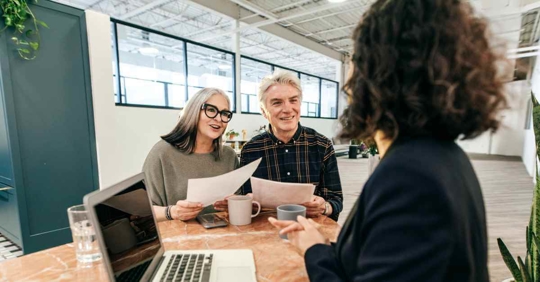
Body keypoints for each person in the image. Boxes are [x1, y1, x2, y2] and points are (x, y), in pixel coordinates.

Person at [269, 0, 507, 281]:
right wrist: (319, 248)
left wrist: (313, 252)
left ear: (379, 73)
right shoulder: (445, 157)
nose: (349, 80)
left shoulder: (410, 177)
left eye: (357, 59)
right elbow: (375, 259)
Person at [231, 69, 344, 221]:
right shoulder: (251, 150)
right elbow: (247, 202)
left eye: (293, 100)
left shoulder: (321, 145)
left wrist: (324, 207)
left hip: (312, 232)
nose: (287, 109)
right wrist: (248, 201)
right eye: (277, 103)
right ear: (264, 111)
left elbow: (336, 199)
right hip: (267, 233)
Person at [143, 87, 239, 222]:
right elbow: (143, 213)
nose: (219, 119)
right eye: (211, 110)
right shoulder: (162, 153)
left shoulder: (229, 156)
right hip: (179, 239)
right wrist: (173, 212)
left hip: (225, 237)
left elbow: (238, 200)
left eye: (224, 113)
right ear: (193, 111)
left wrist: (233, 205)